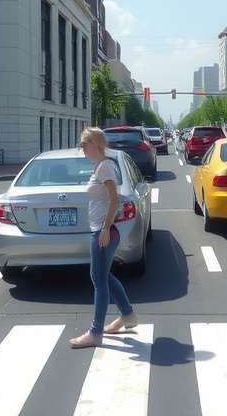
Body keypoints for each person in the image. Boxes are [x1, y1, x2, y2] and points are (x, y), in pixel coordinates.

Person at [70, 127, 136, 348]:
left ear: (95, 144)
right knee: (104, 276)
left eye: (84, 143)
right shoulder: (99, 166)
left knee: (98, 280)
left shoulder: (105, 166)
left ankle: (95, 332)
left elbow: (114, 200)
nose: (82, 148)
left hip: (104, 229)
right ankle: (127, 315)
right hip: (101, 228)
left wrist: (106, 228)